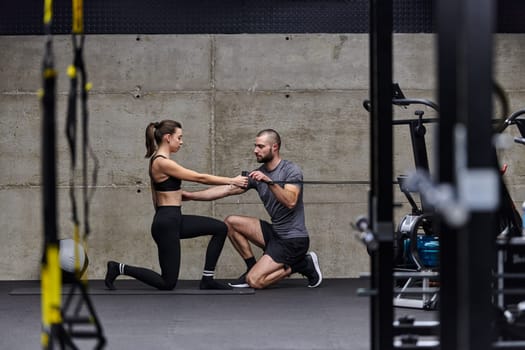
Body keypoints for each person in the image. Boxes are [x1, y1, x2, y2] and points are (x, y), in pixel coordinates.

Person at [104, 119, 248, 290]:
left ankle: (207, 279)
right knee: (167, 283)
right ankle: (118, 267)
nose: (181, 142)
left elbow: (184, 195)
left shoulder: (160, 162)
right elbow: (199, 177)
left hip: (173, 219)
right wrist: (233, 180)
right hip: (166, 223)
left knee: (220, 228)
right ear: (167, 137)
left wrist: (231, 189)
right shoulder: (161, 162)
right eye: (179, 137)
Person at [183, 129, 322, 289]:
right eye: (255, 146)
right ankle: (251, 266)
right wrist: (189, 195)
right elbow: (227, 189)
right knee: (230, 222)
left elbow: (290, 201)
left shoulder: (291, 170)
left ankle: (301, 264)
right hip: (275, 234)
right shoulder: (258, 174)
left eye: (261, 146)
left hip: (293, 240)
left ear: (274, 147)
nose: (255, 150)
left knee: (255, 281)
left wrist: (269, 182)